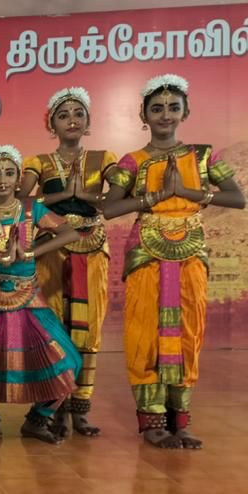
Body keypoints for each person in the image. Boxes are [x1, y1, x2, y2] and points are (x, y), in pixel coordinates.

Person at [102, 74, 245, 449]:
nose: (165, 115)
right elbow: (109, 207)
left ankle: (180, 420)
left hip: (190, 254)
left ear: (186, 112)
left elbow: (238, 198)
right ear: (143, 115)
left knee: (188, 332)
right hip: (146, 251)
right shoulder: (132, 161)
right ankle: (151, 422)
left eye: (173, 108)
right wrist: (155, 197)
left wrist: (187, 192)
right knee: (144, 333)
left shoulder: (202, 157)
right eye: (157, 108)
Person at [0, 145, 82, 445]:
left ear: (18, 177)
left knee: (69, 360)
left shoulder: (31, 209)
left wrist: (31, 252)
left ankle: (38, 420)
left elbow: (70, 233)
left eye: (9, 173)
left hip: (28, 294)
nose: (3, 181)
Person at [18, 88, 118, 438]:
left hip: (92, 248)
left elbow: (117, 199)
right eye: (63, 115)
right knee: (53, 329)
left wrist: (88, 197)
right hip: (52, 248)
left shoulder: (105, 158)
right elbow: (22, 199)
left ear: (88, 121)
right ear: (52, 124)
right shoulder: (38, 162)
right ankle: (51, 408)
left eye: (78, 113)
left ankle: (80, 410)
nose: (72, 119)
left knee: (88, 329)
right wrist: (64, 195)